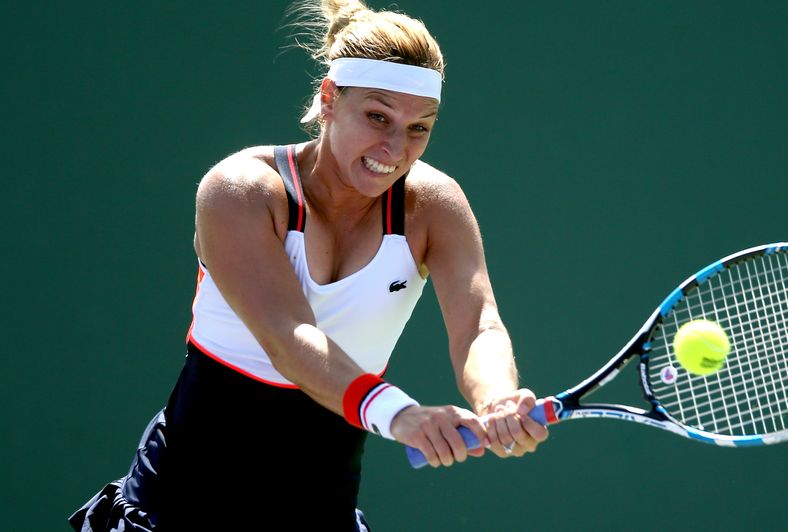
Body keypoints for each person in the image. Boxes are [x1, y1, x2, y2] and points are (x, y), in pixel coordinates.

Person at [69, 0, 548, 530]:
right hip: (175, 511)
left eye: (419, 127)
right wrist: (401, 415)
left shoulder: (433, 205)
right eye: (378, 117)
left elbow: (478, 325)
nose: (395, 147)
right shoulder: (241, 190)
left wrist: (497, 397)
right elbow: (289, 337)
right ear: (328, 99)